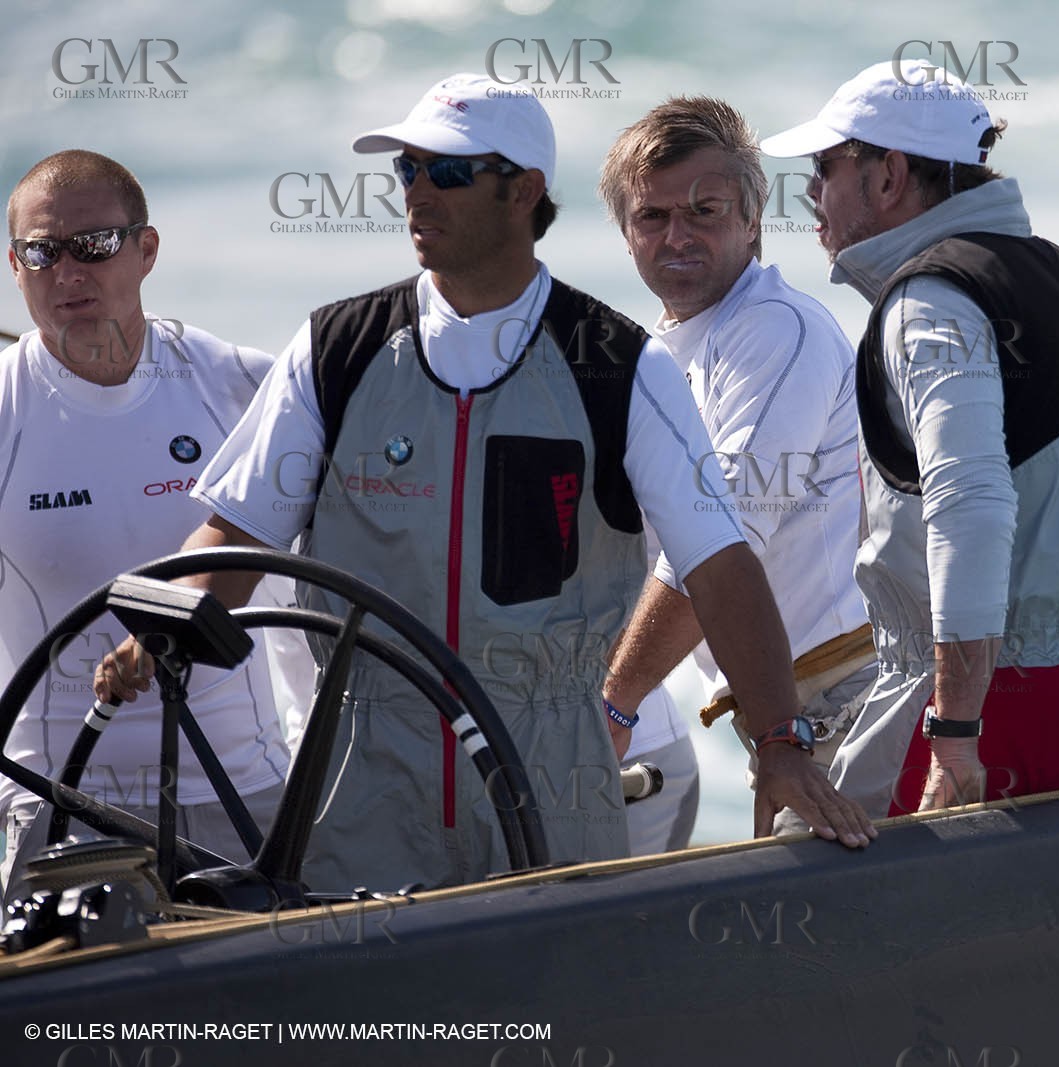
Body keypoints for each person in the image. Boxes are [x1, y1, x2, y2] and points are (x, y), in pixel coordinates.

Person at [97, 74, 874, 891]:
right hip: (365, 771)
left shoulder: (616, 365)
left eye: (452, 172)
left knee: (561, 1016)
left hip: (550, 774)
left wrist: (782, 747)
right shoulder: (335, 348)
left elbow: (718, 563)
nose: (419, 193)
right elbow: (239, 531)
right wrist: (160, 620)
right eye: (409, 171)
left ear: (524, 192)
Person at [760, 61, 1059, 819]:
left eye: (825, 167)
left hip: (983, 709)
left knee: (799, 877)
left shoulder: (928, 302)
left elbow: (972, 508)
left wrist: (956, 740)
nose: (812, 195)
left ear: (889, 175)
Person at [1, 150, 290, 893]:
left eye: (94, 245)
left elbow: (328, 574)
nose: (68, 271)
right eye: (42, 252)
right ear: (15, 265)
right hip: (57, 805)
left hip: (240, 791)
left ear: (147, 249)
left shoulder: (241, 382)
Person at [596, 96, 873, 851]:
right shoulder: (660, 354)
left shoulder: (774, 330)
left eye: (705, 209)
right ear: (626, 234)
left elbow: (718, 540)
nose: (677, 235)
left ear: (752, 219)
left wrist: (614, 707)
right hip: (785, 708)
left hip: (846, 693)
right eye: (652, 217)